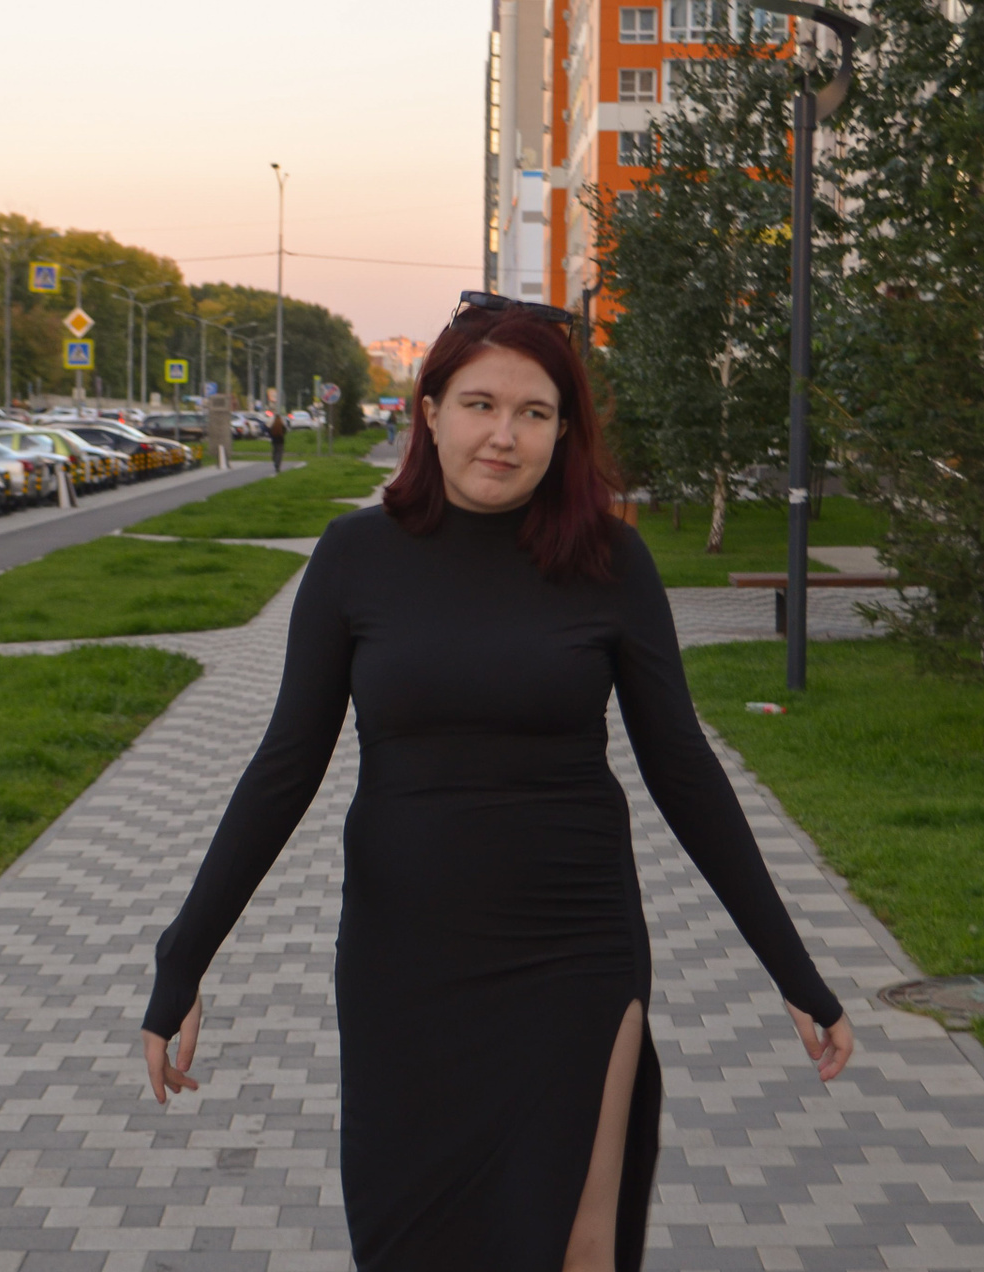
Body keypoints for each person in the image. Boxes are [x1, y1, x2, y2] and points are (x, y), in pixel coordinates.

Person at [141, 292, 852, 1272]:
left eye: (534, 413)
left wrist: (793, 970)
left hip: (575, 954)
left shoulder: (611, 562)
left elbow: (684, 769)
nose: (504, 436)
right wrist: (183, 960)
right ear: (430, 412)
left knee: (574, 1245)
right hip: (404, 963)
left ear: (564, 432)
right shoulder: (355, 559)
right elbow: (284, 769)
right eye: (480, 405)